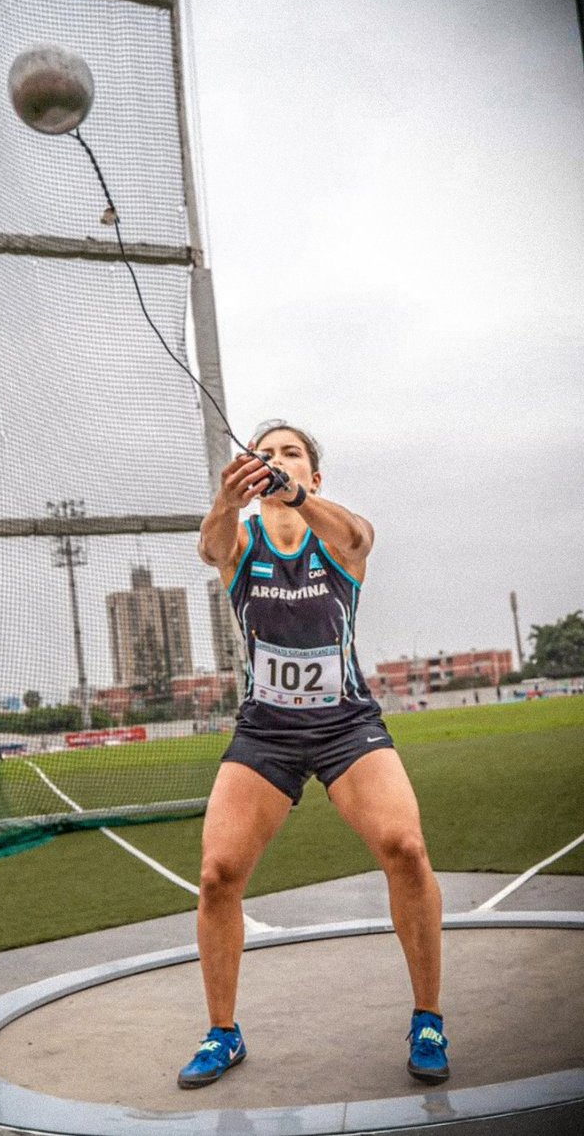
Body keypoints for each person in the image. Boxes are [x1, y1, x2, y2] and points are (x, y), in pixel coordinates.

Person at [177, 422, 448, 1090]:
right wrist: (224, 499)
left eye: (290, 453)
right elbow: (210, 545)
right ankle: (223, 1032)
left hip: (345, 725)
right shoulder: (242, 541)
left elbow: (358, 535)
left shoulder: (338, 538)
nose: (274, 461)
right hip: (266, 731)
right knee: (217, 874)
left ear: (314, 476)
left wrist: (296, 494)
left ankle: (428, 1019)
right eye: (264, 454)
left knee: (405, 848)